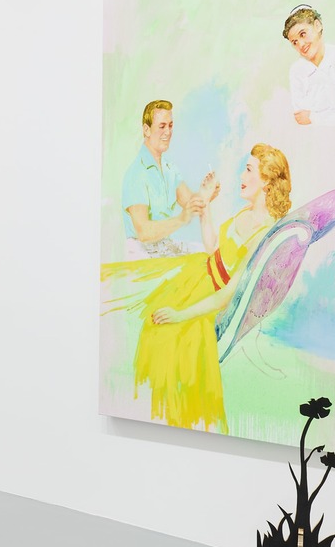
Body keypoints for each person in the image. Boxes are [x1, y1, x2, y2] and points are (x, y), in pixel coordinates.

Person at [123, 144, 294, 432]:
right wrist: (206, 208)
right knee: (147, 308)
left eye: (249, 170)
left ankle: (164, 417)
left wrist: (181, 314)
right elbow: (214, 247)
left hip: (208, 294)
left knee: (164, 331)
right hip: (198, 273)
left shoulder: (263, 233)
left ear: (266, 180)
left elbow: (226, 294)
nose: (241, 175)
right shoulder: (246, 212)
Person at [119, 100, 216, 260]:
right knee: (200, 260)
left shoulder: (169, 169)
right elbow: (144, 233)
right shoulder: (136, 174)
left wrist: (206, 193)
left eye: (170, 126)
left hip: (164, 248)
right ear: (146, 130)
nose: (168, 132)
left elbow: (190, 203)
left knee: (204, 255)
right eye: (162, 126)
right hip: (142, 254)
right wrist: (181, 218)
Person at [284, 6, 335, 126]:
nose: (301, 44)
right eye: (295, 42)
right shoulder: (297, 70)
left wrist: (312, 116)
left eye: (303, 34)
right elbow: (300, 117)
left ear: (317, 25)